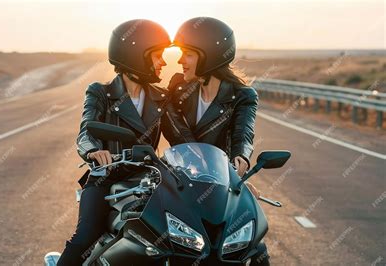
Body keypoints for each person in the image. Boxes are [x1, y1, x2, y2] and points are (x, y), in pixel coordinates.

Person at [56, 19, 195, 266]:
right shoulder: (100, 92)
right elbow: (86, 131)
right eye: (157, 56)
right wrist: (94, 152)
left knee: (184, 237)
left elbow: (184, 138)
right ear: (135, 55)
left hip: (150, 182)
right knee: (84, 238)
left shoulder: (161, 97)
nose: (163, 62)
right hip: (106, 178)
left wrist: (220, 170)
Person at [168, 17, 269, 265]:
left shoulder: (243, 96)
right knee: (162, 241)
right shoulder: (178, 87)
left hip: (221, 182)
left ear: (209, 56)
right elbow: (175, 131)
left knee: (254, 247)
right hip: (180, 179)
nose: (180, 61)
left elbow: (243, 134)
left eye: (188, 54)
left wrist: (241, 160)